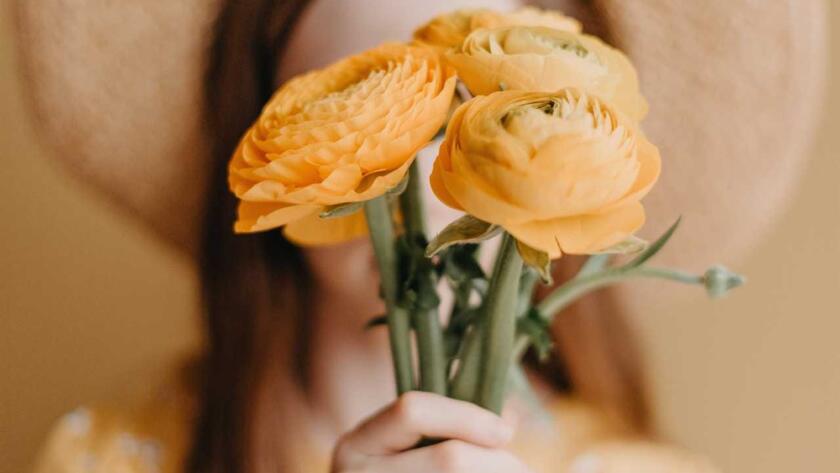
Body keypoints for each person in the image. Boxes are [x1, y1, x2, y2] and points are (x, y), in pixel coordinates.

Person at [15, 0, 826, 472]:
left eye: (468, 120)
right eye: (369, 113)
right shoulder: (110, 456)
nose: (421, 189)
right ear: (264, 121)